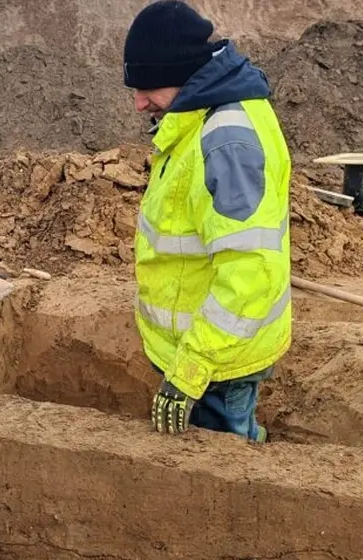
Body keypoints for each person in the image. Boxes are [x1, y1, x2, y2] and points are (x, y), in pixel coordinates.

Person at [122, 1, 293, 444]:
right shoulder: (199, 119)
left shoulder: (226, 143)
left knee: (223, 477)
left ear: (184, 76)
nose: (139, 103)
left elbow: (249, 272)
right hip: (208, 354)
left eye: (149, 88)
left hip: (217, 363)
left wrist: (191, 371)